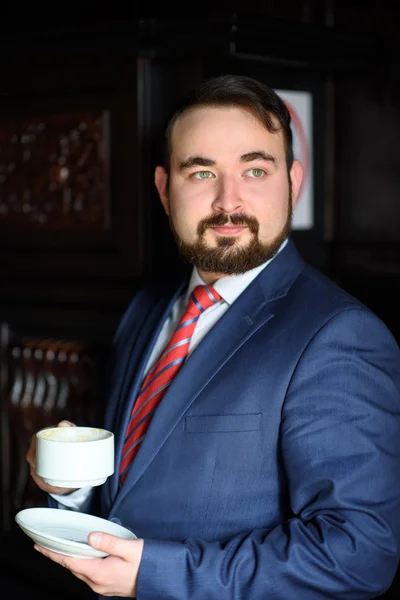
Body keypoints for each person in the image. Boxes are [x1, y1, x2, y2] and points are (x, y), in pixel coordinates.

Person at [27, 74, 400, 599]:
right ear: (164, 189)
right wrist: (74, 491)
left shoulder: (340, 334)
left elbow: (357, 553)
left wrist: (152, 575)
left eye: (254, 170)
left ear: (293, 182)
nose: (229, 201)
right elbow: (139, 490)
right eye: (202, 172)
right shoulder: (147, 308)